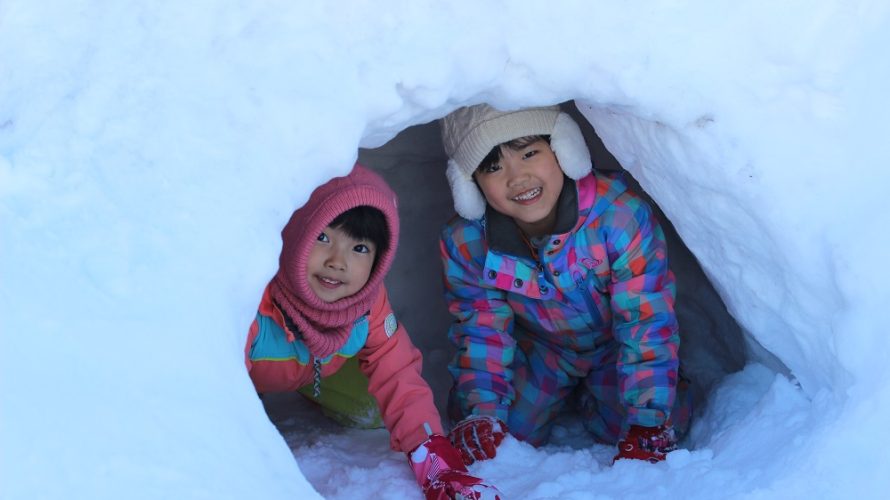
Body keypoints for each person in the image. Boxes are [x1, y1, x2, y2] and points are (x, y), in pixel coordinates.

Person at [438, 104, 691, 465]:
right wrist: (484, 411)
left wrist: (649, 418)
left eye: (529, 153)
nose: (517, 177)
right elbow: (481, 330)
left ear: (563, 149)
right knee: (499, 441)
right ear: (470, 184)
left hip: (614, 343)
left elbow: (645, 321)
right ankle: (544, 396)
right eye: (493, 167)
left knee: (654, 425)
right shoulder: (467, 241)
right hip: (541, 348)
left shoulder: (616, 215)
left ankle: (598, 398)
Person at [245, 163, 501, 499]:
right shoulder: (254, 300)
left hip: (319, 370)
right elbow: (210, 382)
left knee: (376, 411)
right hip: (248, 375)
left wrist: (437, 462)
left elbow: (397, 373)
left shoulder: (367, 303)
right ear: (296, 235)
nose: (337, 261)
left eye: (359, 248)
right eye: (323, 237)